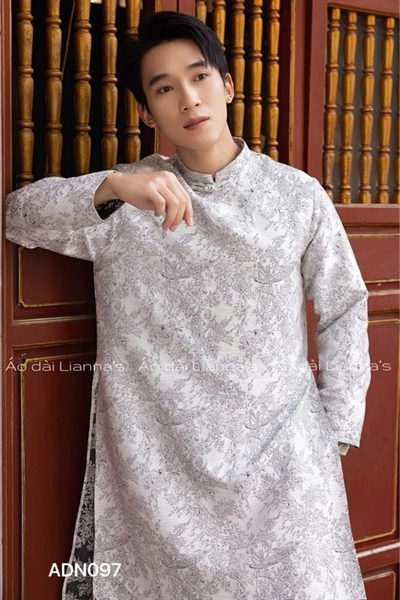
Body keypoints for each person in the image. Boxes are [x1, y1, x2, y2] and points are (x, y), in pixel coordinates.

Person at [6, 11, 370, 600]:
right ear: (147, 113)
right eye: (164, 88)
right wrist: (111, 186)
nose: (188, 98)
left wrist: (335, 429)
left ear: (227, 86)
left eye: (199, 77)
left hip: (285, 471)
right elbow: (18, 217)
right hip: (159, 480)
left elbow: (345, 306)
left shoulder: (297, 196)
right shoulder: (128, 198)